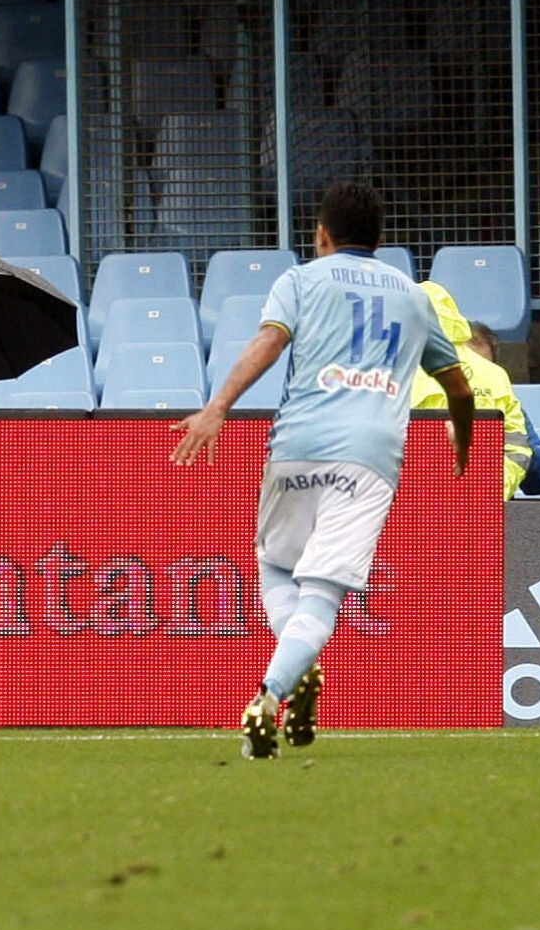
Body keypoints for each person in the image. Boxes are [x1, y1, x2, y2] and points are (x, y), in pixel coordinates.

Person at [170, 181, 473, 759]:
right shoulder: (414, 297)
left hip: (297, 445)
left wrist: (217, 408)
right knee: (324, 593)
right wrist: (460, 443)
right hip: (371, 456)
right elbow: (456, 385)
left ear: (322, 235)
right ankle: (271, 693)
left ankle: (292, 667)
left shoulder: (301, 280)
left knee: (275, 567)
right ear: (382, 240)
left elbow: (268, 342)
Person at [410, 281, 540, 499]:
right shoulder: (493, 377)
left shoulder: (385, 370)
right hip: (480, 514)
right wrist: (488, 493)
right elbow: (518, 452)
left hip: (408, 511)